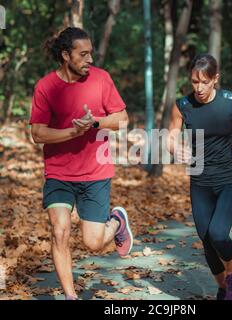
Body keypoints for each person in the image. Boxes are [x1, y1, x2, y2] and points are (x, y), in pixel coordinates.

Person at [29, 27, 133, 300]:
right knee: (60, 231)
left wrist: (96, 122)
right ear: (66, 55)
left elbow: (123, 119)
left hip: (95, 173)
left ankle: (117, 222)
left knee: (93, 243)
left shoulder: (101, 79)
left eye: (91, 53)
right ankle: (70, 296)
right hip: (59, 173)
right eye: (83, 54)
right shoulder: (46, 87)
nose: (89, 60)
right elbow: (37, 133)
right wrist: (72, 133)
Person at [167, 53, 232, 300]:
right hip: (200, 181)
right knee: (206, 240)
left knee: (218, 234)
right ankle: (223, 287)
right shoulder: (183, 105)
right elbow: (172, 135)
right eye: (194, 82)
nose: (199, 88)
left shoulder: (231, 100)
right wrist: (174, 148)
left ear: (216, 79)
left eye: (205, 81)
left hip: (229, 178)